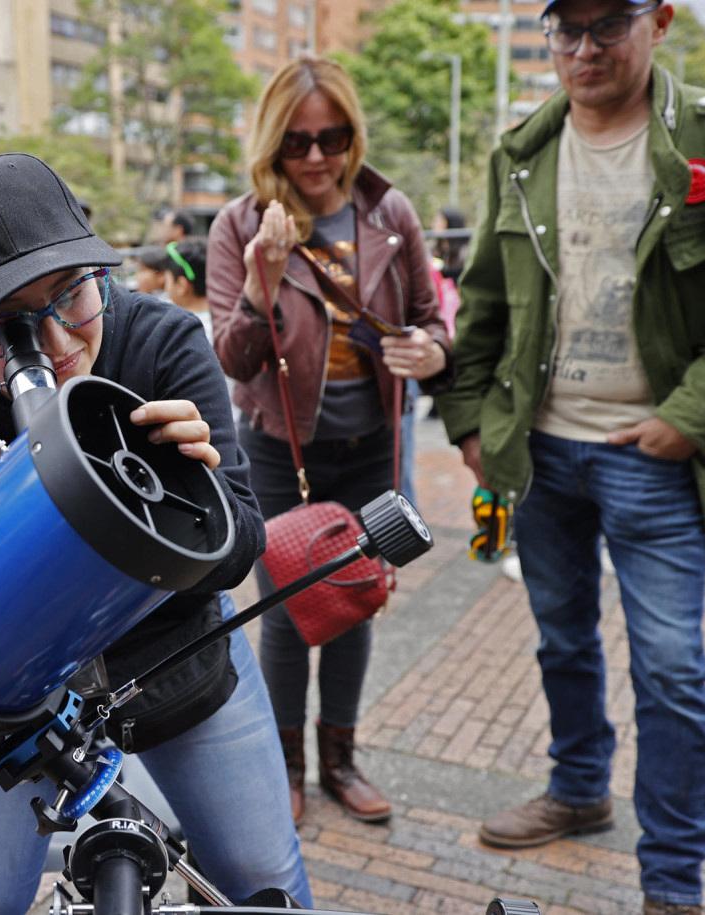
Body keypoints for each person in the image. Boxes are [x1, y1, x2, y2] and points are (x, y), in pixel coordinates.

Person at [0, 153, 311, 914]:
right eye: (7, 325)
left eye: (74, 293)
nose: (56, 340)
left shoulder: (162, 343)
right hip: (14, 712)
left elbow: (243, 542)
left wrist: (189, 502)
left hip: (178, 666)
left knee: (264, 882)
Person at [435, 3, 705, 912]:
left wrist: (689, 418)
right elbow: (484, 303)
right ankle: (578, 788)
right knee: (562, 638)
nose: (583, 50)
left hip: (653, 455)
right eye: (562, 29)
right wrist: (469, 423)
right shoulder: (521, 150)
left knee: (673, 669)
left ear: (655, 22)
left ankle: (674, 881)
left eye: (606, 24)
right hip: (540, 452)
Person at [207, 55, 454, 825]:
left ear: (352, 134)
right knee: (285, 610)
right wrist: (261, 282)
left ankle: (341, 758)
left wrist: (434, 350)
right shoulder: (241, 225)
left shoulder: (392, 215)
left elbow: (431, 314)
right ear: (272, 144)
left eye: (333, 137)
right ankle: (285, 767)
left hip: (373, 445)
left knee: (355, 596)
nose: (316, 158)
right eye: (297, 143)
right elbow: (233, 358)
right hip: (282, 448)